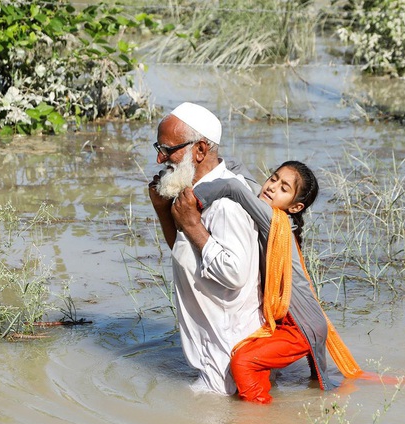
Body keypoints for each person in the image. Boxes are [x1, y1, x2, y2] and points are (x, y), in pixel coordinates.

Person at [189, 161, 365, 404]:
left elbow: (234, 187)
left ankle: (259, 421)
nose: (272, 188)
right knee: (323, 390)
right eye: (273, 179)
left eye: (284, 188)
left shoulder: (273, 221)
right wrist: (224, 164)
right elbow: (243, 179)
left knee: (244, 360)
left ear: (295, 207)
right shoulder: (277, 220)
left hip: (300, 326)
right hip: (305, 321)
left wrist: (191, 199)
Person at [147, 102, 263, 396]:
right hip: (213, 361)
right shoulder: (194, 194)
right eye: (158, 147)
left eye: (168, 149)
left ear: (199, 150)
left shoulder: (226, 202)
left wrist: (195, 227)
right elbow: (188, 253)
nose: (160, 158)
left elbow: (234, 273)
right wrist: (164, 211)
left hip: (228, 367)